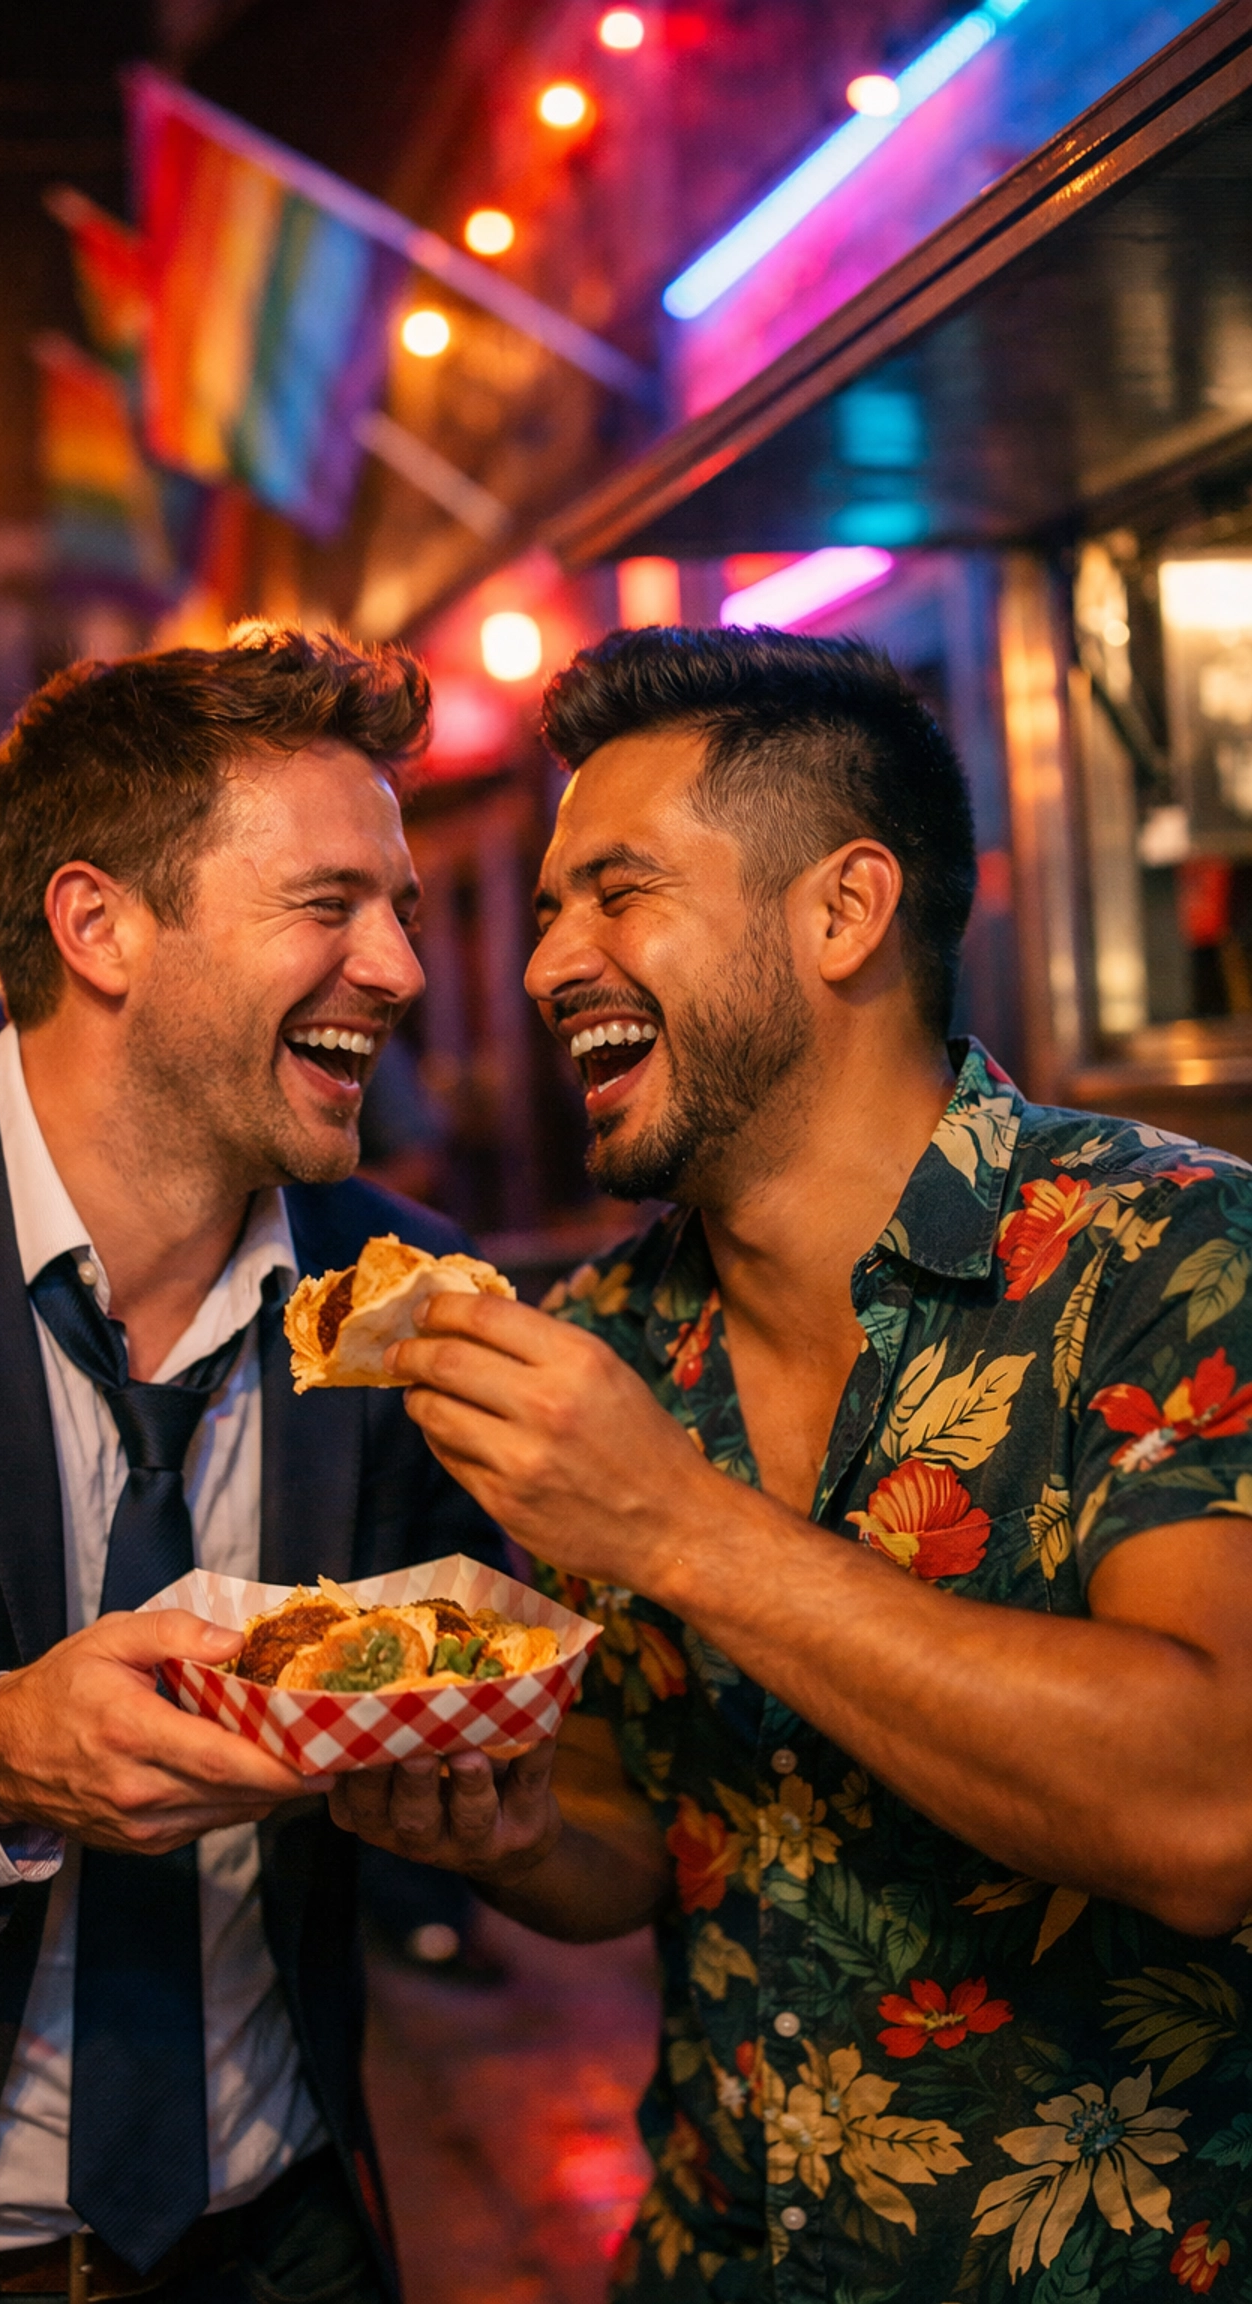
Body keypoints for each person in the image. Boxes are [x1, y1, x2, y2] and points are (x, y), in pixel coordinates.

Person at [332, 627, 1252, 2302]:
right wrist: (485, 1816)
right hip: (714, 2258)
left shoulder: (1165, 1250)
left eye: (618, 891)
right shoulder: (604, 1336)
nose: (548, 967)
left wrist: (680, 1527)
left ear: (844, 910)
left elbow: (1212, 1803)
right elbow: (640, 1839)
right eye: (547, 911)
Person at [0, 629, 508, 2304]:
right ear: (98, 926)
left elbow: (481, 1708)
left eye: (409, 912)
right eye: (329, 905)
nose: (402, 971)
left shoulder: (406, 1285)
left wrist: (470, 1782)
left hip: (288, 2229)